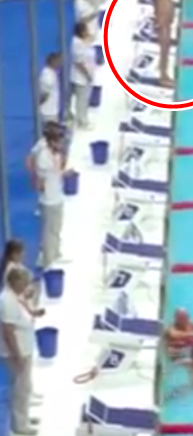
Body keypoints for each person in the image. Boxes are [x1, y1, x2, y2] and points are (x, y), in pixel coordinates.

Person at [0, 268, 42, 435]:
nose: (26, 285)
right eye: (24, 282)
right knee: (20, 390)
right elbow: (8, 332)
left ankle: (22, 418)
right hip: (17, 354)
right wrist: (17, 355)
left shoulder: (15, 295)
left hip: (24, 350)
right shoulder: (7, 301)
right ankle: (20, 425)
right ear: (15, 282)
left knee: (25, 387)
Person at [26, 124, 66, 268]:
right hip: (50, 199)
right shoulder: (44, 156)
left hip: (56, 193)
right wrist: (35, 179)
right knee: (49, 230)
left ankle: (55, 253)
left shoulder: (42, 144)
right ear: (52, 140)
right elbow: (56, 171)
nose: (61, 143)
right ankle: (48, 260)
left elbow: (29, 159)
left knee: (56, 227)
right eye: (59, 140)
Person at [69, 23, 96, 130]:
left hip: (85, 75)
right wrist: (87, 75)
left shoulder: (82, 41)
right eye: (86, 30)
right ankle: (82, 122)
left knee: (83, 100)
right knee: (82, 101)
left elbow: (91, 38)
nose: (88, 32)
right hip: (81, 77)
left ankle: (81, 119)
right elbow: (78, 62)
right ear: (81, 32)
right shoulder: (77, 44)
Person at [153, 0, 177, 87]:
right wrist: (161, 26)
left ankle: (164, 75)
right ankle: (163, 77)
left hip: (167, 27)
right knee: (164, 54)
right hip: (163, 29)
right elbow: (159, 18)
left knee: (165, 54)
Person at [37, 53, 62, 126]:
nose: (60, 64)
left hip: (51, 109)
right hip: (48, 111)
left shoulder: (51, 72)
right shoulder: (48, 76)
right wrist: (39, 105)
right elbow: (45, 95)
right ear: (53, 62)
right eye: (59, 61)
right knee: (51, 133)